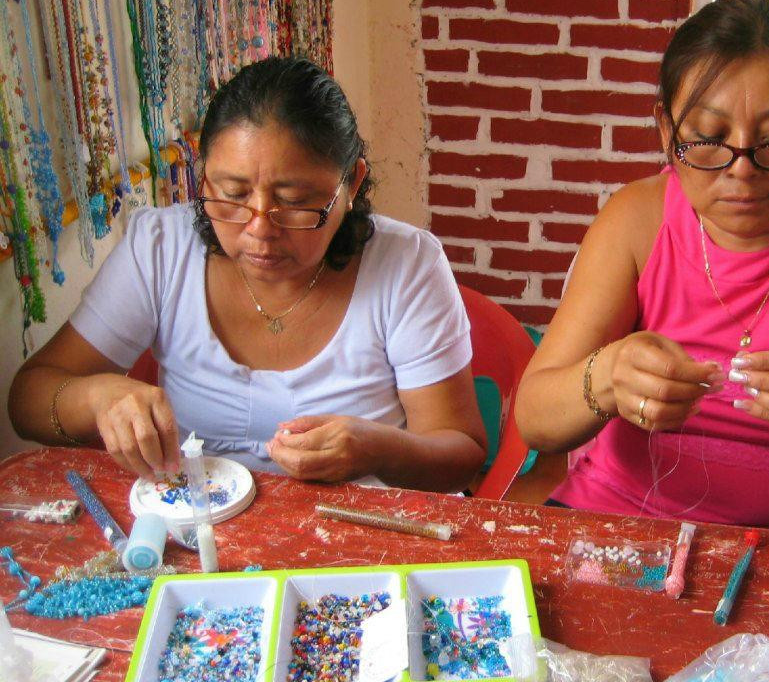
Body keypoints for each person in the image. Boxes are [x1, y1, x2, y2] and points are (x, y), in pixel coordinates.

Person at [515, 0, 769, 534]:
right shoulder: (636, 221)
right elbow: (536, 420)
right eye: (708, 138)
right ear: (668, 131)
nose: (742, 170)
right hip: (619, 514)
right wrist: (611, 376)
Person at [9, 57, 486, 491]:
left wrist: (378, 450)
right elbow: (27, 400)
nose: (260, 229)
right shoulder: (161, 249)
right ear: (204, 179)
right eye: (233, 195)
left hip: (363, 535)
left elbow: (461, 456)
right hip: (198, 530)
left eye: (295, 202)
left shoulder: (406, 265)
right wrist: (98, 398)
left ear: (351, 184)